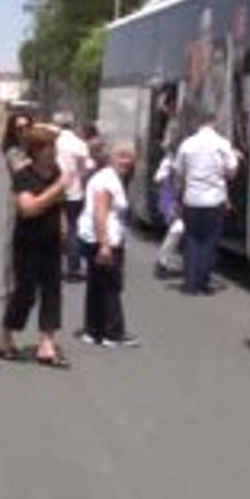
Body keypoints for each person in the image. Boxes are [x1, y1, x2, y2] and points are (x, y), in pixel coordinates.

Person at [0, 125, 74, 368]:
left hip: (51, 241)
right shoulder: (24, 175)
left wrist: (63, 225)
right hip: (28, 243)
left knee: (52, 291)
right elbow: (28, 208)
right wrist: (58, 188)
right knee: (25, 293)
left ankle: (47, 344)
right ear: (37, 150)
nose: (54, 152)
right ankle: (5, 337)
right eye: (50, 148)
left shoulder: (55, 172)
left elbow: (59, 204)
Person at [76, 143, 140, 348]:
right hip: (104, 239)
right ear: (110, 157)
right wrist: (105, 244)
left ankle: (93, 330)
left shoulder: (106, 177)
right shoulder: (108, 180)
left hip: (94, 237)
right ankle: (113, 333)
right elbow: (100, 212)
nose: (126, 161)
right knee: (111, 286)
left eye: (129, 157)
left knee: (96, 285)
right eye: (121, 156)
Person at [175, 110, 240, 295]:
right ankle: (203, 282)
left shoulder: (187, 144)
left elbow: (178, 171)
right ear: (213, 122)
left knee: (192, 240)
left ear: (197, 123)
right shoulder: (222, 144)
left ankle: (190, 283)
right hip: (214, 199)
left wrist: (180, 195)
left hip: (192, 199)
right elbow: (232, 171)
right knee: (209, 241)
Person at [0, 111, 34, 297]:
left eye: (27, 127)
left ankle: (29, 281)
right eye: (19, 128)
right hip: (18, 196)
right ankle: (9, 284)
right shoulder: (12, 150)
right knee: (13, 240)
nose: (24, 131)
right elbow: (19, 169)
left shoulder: (35, 147)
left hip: (37, 194)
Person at [55, 112, 91, 282]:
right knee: (73, 227)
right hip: (74, 191)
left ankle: (51, 264)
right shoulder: (79, 144)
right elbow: (86, 167)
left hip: (53, 189)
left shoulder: (53, 142)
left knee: (52, 226)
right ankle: (73, 267)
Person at [153, 145, 185, 278]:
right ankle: (162, 262)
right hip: (169, 199)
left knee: (178, 229)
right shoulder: (168, 161)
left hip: (178, 199)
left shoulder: (179, 159)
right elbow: (157, 178)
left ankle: (165, 262)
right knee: (178, 228)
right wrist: (170, 173)